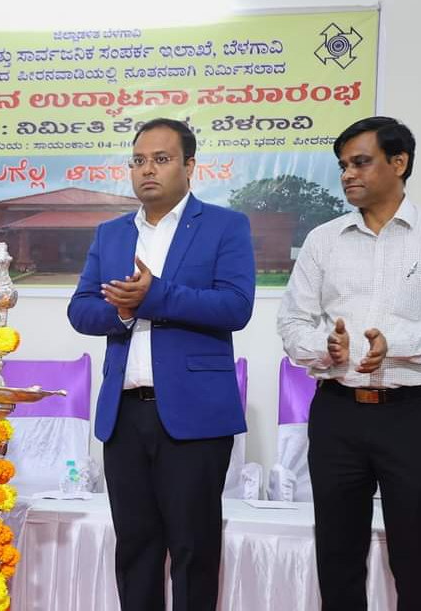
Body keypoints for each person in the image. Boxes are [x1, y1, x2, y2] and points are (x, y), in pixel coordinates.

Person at [277, 116, 421, 611]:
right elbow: (292, 323)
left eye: (360, 162)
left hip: (412, 415)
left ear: (399, 162)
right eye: (343, 165)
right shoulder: (323, 239)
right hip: (337, 413)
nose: (347, 174)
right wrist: (325, 347)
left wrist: (395, 343)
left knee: (415, 559)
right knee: (337, 558)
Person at [67, 118, 256, 611]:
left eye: (161, 159)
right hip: (124, 416)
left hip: (194, 418)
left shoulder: (225, 226)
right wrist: (124, 311)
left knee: (194, 551)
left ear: (190, 166)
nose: (147, 169)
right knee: (136, 550)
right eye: (138, 160)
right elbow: (80, 310)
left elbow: (236, 306)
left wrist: (154, 295)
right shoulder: (111, 234)